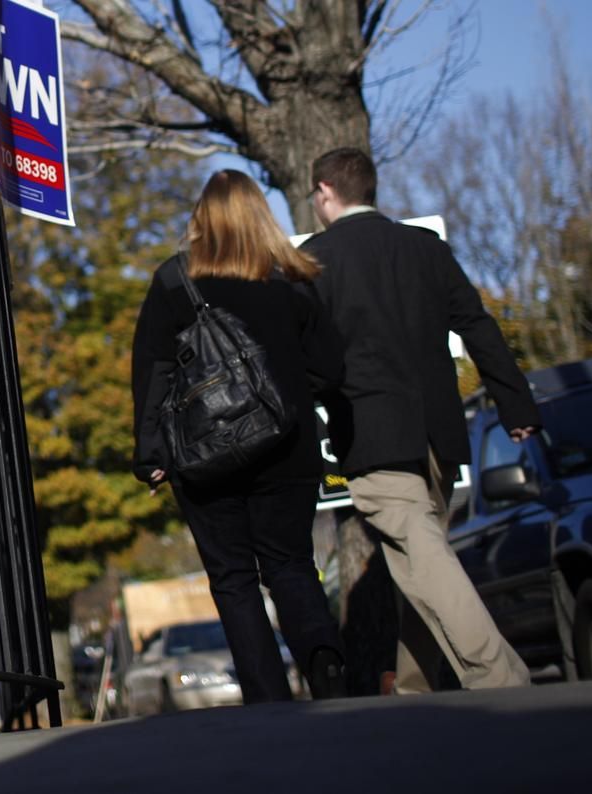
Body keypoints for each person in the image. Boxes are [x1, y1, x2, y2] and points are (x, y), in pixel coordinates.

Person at [301, 147, 539, 693]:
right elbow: (477, 325)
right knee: (418, 557)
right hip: (439, 432)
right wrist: (515, 405)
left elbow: (309, 361)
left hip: (371, 432)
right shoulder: (423, 248)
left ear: (324, 192)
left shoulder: (315, 262)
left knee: (423, 556)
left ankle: (500, 677)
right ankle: (414, 689)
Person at [132, 169, 346, 704]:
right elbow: (330, 370)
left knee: (233, 580)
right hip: (286, 444)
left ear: (202, 219)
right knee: (291, 564)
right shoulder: (293, 279)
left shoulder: (173, 281)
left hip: (205, 454)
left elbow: (153, 372)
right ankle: (324, 660)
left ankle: (267, 698)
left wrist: (151, 451)